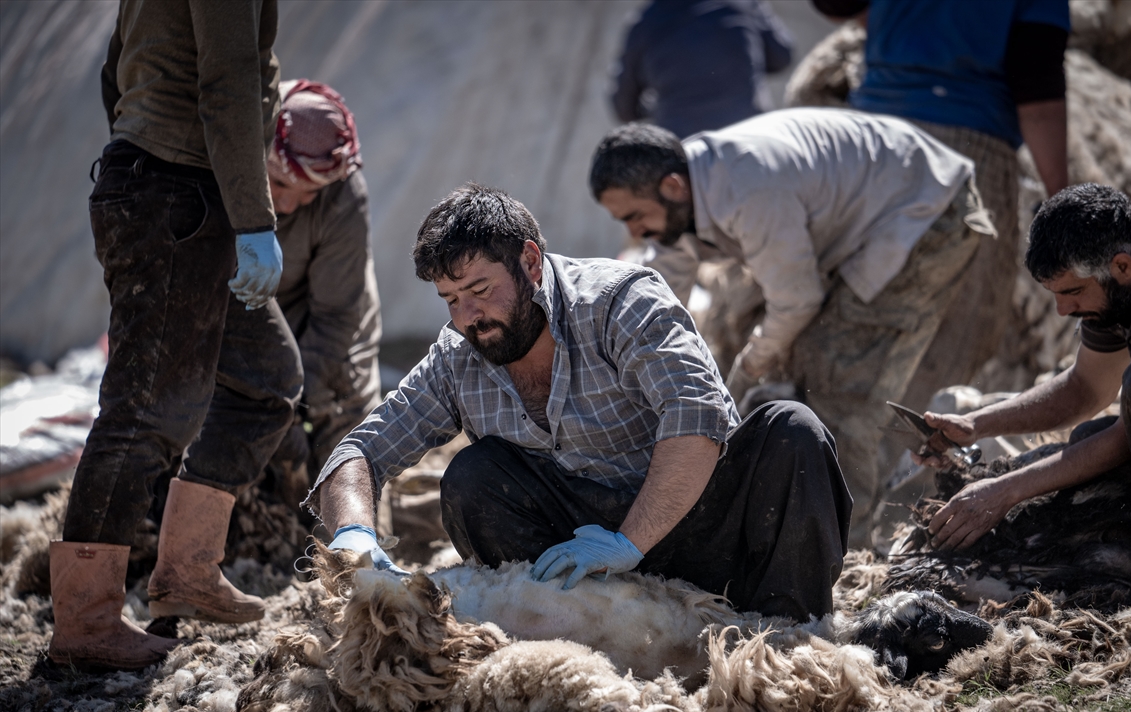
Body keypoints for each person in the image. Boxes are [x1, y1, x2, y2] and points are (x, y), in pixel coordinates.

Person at [307, 184, 852, 623]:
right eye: (451, 300)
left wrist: (627, 541)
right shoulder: (459, 356)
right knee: (473, 477)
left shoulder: (619, 301)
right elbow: (361, 452)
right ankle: (571, 627)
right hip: (585, 561)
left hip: (703, 518)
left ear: (530, 262)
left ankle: (786, 632)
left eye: (480, 289)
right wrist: (355, 537)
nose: (467, 315)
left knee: (792, 430)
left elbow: (698, 418)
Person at [589, 110, 994, 544]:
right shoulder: (684, 195)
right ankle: (810, 519)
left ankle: (839, 547)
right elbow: (666, 289)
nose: (634, 231)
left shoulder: (750, 188)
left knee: (842, 377)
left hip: (923, 208)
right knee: (812, 358)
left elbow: (797, 302)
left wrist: (744, 373)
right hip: (877, 209)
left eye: (635, 216)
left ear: (671, 186)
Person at [49, 0, 302, 670]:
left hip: (184, 187)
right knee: (145, 411)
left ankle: (186, 573)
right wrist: (252, 217)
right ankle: (85, 621)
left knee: (264, 377)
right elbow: (229, 79)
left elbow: (114, 69)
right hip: (179, 194)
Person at [918, 184, 1131, 568]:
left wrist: (1005, 491)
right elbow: (1083, 389)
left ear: (1121, 266)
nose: (1063, 309)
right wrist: (976, 424)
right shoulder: (1119, 290)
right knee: (1087, 441)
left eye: (1073, 291)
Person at [814, 0, 1071, 409]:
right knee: (958, 325)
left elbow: (834, 3)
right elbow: (1036, 88)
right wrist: (1062, 201)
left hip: (868, 143)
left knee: (857, 313)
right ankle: (898, 463)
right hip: (964, 151)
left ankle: (826, 452)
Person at [265, 80, 382, 495]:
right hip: (247, 307)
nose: (289, 205)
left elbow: (336, 317)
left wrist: (301, 395)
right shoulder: (227, 156)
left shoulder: (344, 195)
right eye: (277, 185)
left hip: (333, 307)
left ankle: (355, 539)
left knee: (345, 410)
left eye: (307, 193)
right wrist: (275, 402)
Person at [611, 0, 794, 138]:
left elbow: (623, 107)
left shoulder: (645, 23)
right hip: (751, 138)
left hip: (683, 152)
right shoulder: (742, 4)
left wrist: (655, 108)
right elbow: (782, 57)